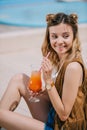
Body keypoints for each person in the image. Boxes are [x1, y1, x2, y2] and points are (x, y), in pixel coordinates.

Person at [0, 12, 87, 130]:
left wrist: (48, 81)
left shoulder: (73, 67)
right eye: (54, 36)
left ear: (74, 36)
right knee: (19, 79)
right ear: (49, 37)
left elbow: (64, 114)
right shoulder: (62, 58)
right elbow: (63, 95)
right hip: (54, 116)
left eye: (65, 36)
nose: (60, 41)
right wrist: (44, 91)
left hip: (64, 126)